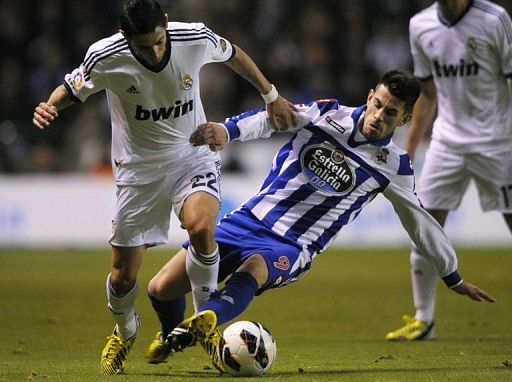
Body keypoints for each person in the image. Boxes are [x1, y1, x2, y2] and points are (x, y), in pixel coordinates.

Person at [144, 70, 495, 373]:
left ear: (403, 120)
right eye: (378, 105)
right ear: (370, 96)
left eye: (391, 113)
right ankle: (176, 333)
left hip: (292, 245)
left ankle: (209, 319)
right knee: (159, 288)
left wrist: (451, 274)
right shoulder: (326, 114)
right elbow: (274, 118)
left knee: (253, 270)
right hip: (248, 220)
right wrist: (229, 130)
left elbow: (420, 223)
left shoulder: (394, 165)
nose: (378, 116)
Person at [31, 0, 295, 375]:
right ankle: (125, 330)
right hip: (137, 171)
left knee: (202, 227)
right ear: (126, 38)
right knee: (123, 276)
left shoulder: (194, 37)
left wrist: (271, 96)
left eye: (158, 41)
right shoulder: (104, 56)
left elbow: (234, 54)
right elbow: (71, 89)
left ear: (166, 24)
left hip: (191, 155)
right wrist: (50, 106)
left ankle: (205, 320)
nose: (155, 50)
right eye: (144, 45)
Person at [385, 0, 512, 342]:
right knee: (426, 225)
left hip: (498, 141)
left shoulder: (494, 19)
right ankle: (424, 320)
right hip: (447, 141)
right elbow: (427, 94)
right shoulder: (421, 26)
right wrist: (407, 150)